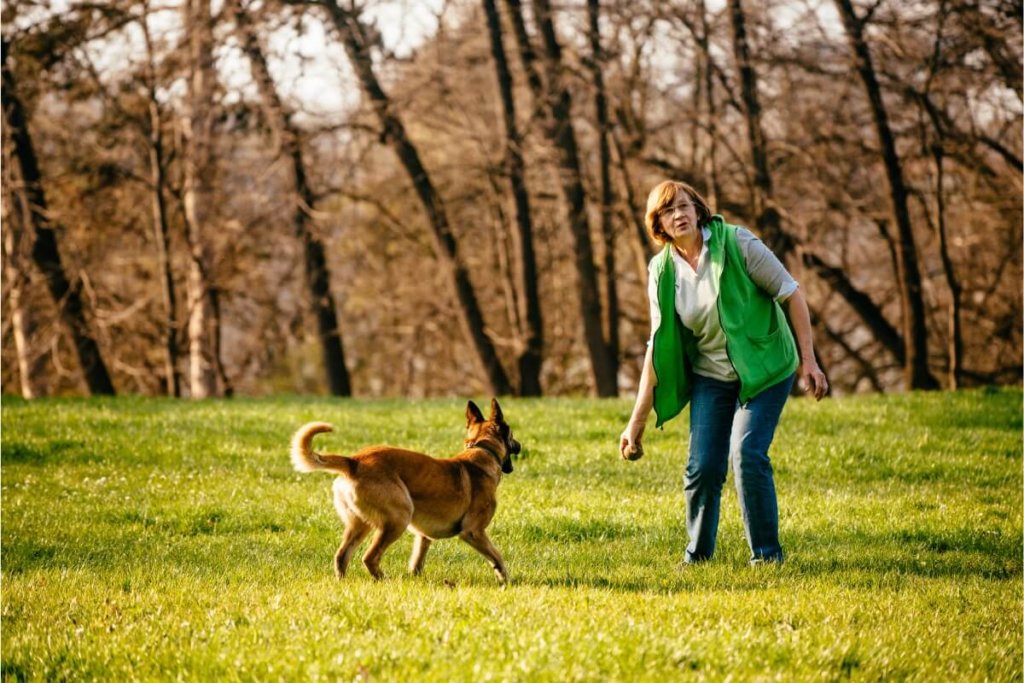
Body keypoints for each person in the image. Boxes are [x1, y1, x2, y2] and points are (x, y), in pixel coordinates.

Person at [619, 180, 827, 565]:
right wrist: (636, 423)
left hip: (765, 369)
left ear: (699, 211)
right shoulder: (662, 271)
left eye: (684, 206)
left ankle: (767, 557)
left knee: (747, 453)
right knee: (703, 467)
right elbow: (657, 345)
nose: (678, 214)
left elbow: (791, 292)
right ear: (658, 225)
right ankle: (697, 557)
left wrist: (808, 360)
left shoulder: (737, 243)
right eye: (668, 210)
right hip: (711, 376)